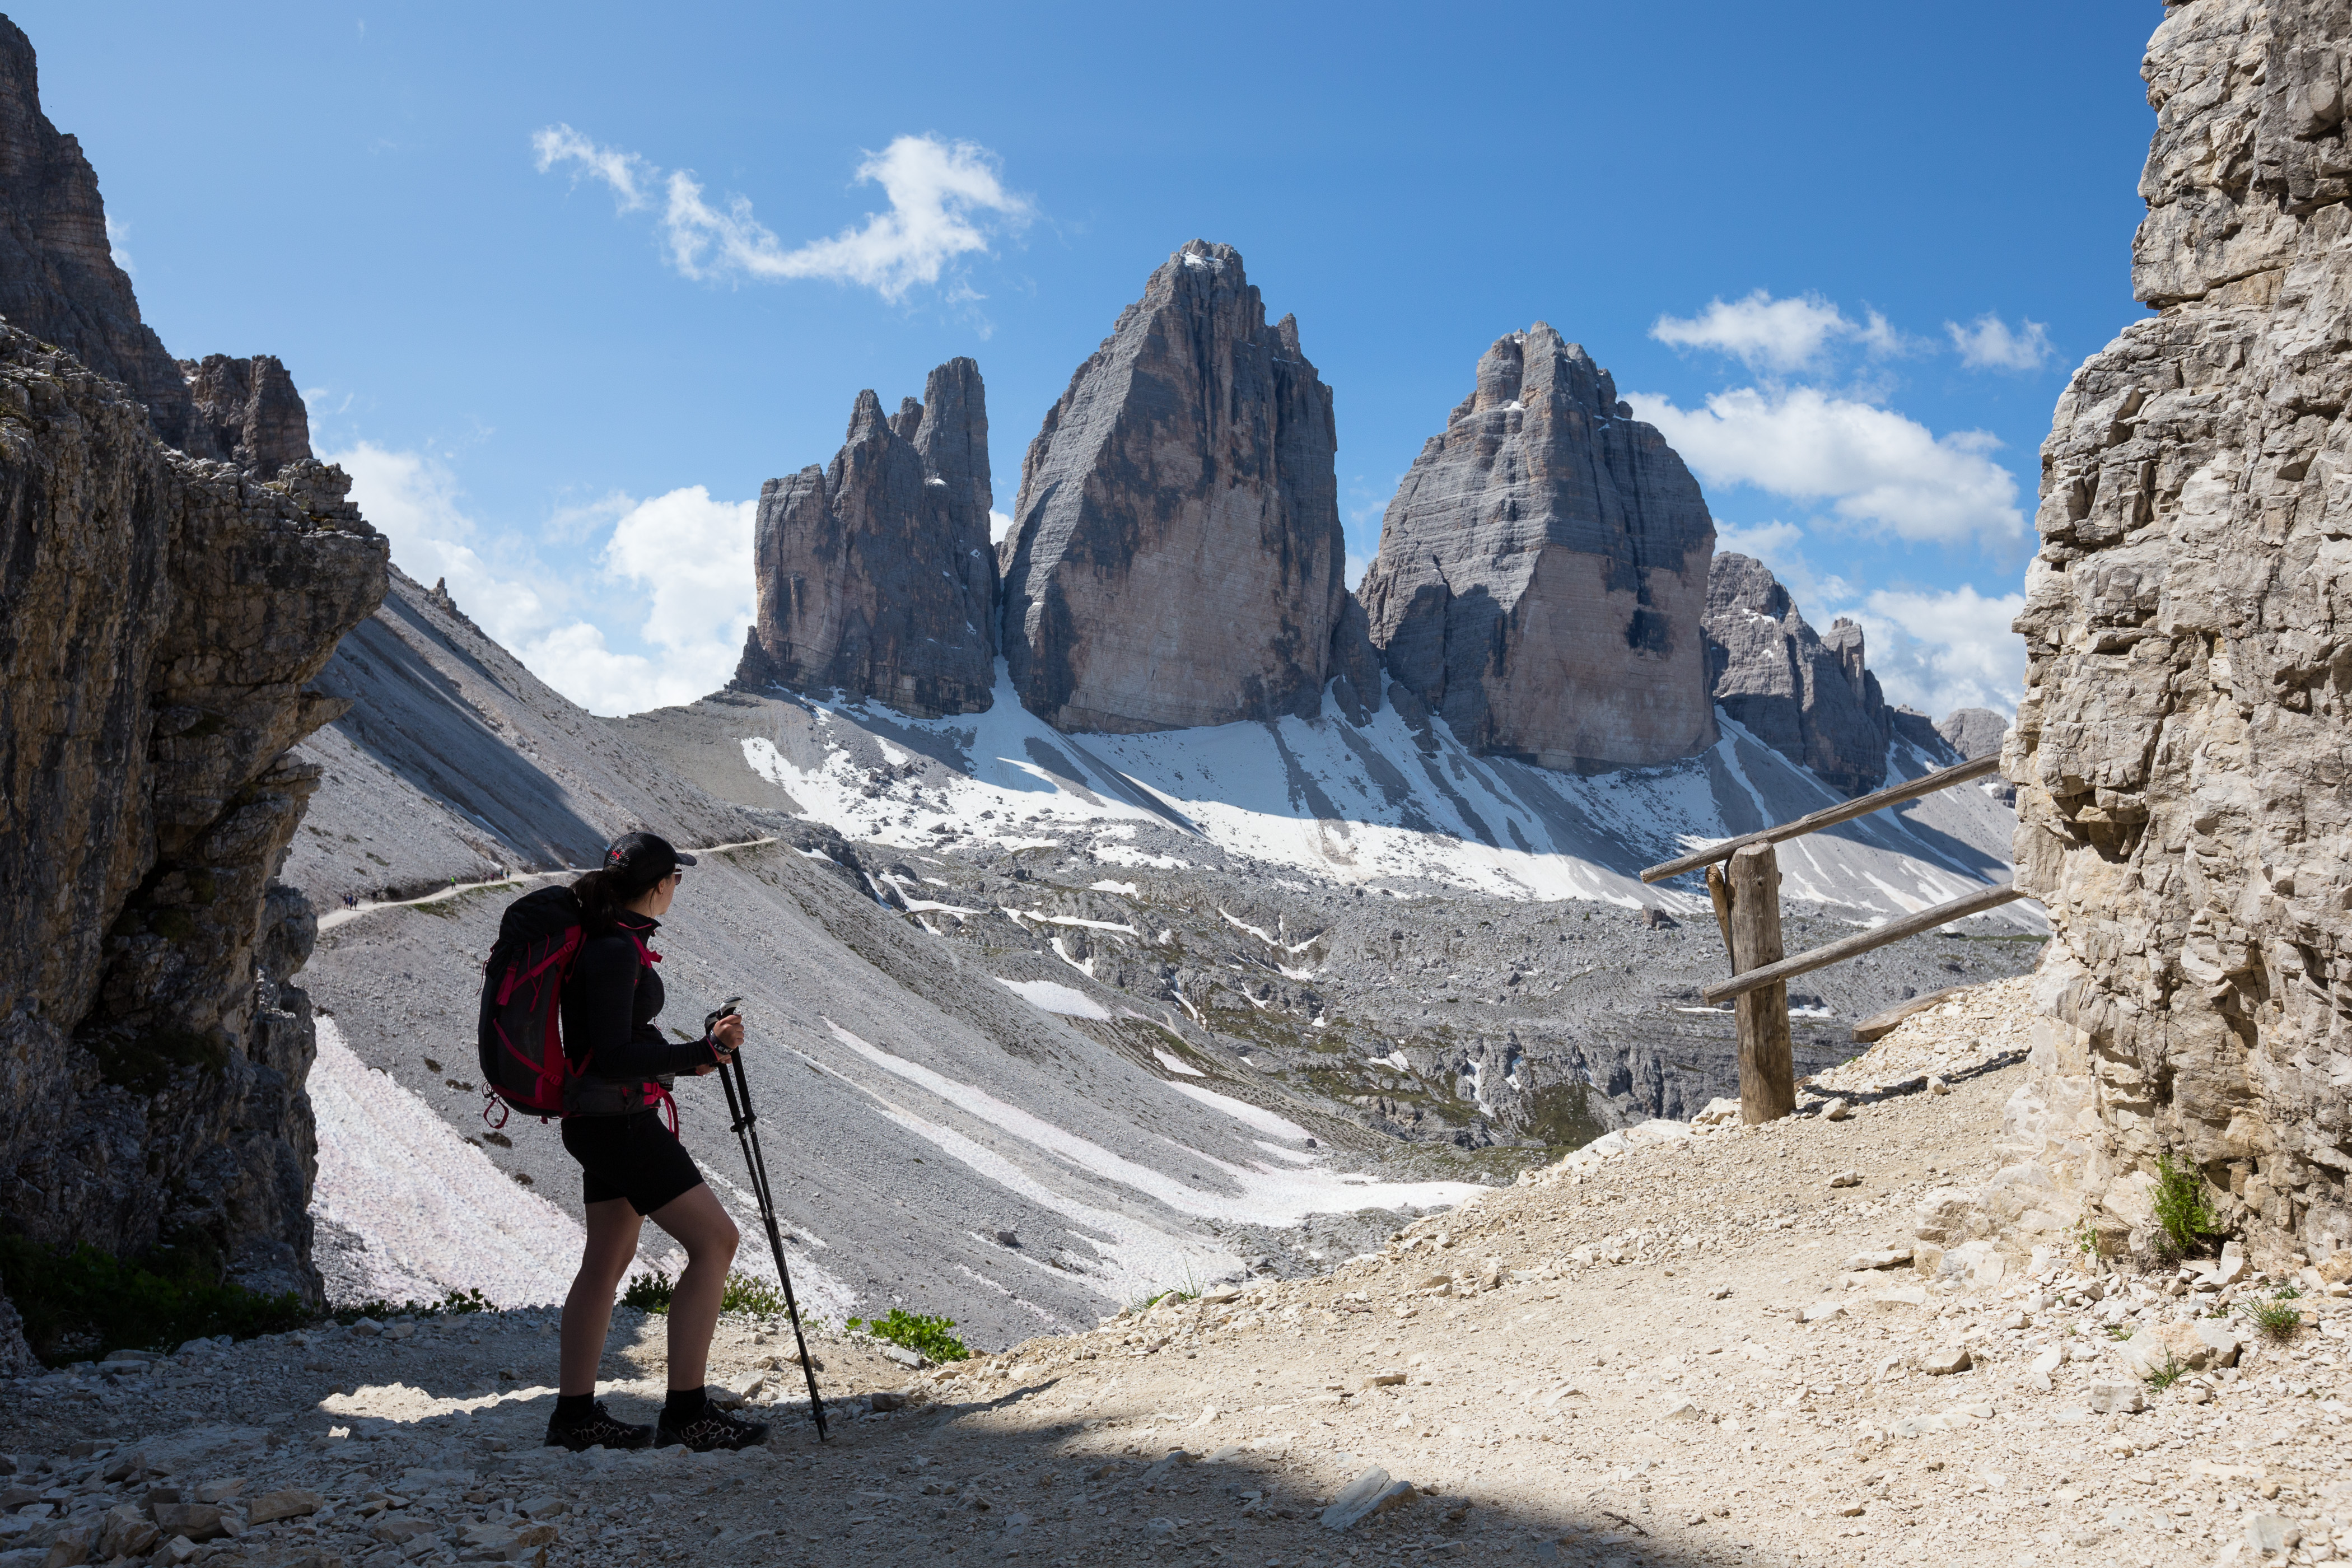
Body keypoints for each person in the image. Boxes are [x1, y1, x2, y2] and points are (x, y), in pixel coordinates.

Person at [544, 831, 768, 1454]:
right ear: (657, 885)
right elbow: (614, 1053)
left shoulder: (607, 938)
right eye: (677, 878)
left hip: (599, 1121)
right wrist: (706, 1051)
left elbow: (611, 1042)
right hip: (618, 1124)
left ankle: (575, 1417)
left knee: (608, 1257)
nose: (678, 888)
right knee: (717, 1240)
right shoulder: (614, 950)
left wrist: (692, 1057)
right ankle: (688, 1412)